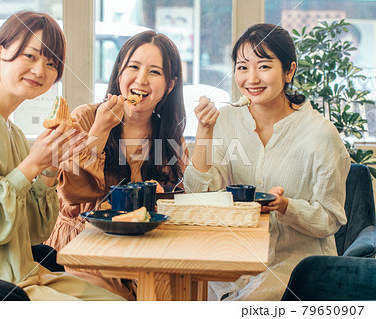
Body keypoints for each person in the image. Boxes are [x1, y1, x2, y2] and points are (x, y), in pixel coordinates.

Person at [0, 11, 124, 301]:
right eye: (30, 56)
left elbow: (33, 232)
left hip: (21, 272)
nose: (40, 71)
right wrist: (33, 163)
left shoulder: (14, 132)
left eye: (51, 63)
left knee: (117, 302)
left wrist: (48, 169)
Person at [183, 23, 350, 301]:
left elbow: (331, 219)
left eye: (263, 66)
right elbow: (200, 193)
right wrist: (204, 130)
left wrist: (286, 207)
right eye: (242, 67)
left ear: (289, 71)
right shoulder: (226, 120)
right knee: (182, 292)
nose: (252, 78)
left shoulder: (320, 133)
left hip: (295, 266)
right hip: (232, 258)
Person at [44, 30, 188, 300]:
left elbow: (182, 200)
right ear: (119, 73)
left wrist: (163, 197)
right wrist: (99, 130)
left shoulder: (170, 136)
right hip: (82, 254)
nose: (141, 79)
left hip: (145, 256)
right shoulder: (86, 118)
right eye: (133, 67)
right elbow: (72, 194)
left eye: (155, 72)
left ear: (170, 85)